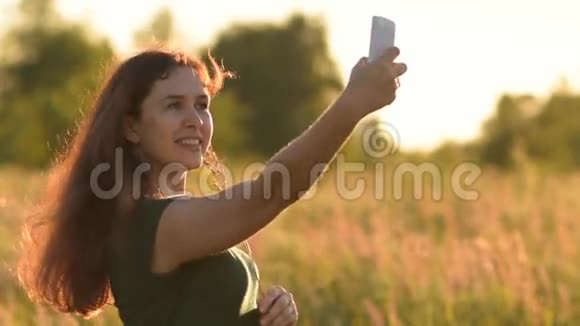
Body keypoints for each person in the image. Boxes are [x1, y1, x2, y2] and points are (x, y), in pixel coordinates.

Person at [17, 44, 407, 325]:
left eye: (201, 105)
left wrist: (265, 314)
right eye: (173, 105)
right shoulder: (150, 223)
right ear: (132, 126)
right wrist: (353, 104)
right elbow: (273, 191)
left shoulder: (177, 215)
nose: (194, 119)